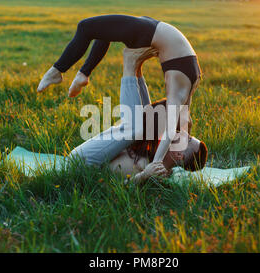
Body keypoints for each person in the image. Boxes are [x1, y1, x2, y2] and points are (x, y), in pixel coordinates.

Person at [37, 15, 202, 180]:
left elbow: (126, 186)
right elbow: (162, 117)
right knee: (143, 123)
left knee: (135, 130)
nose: (184, 134)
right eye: (188, 135)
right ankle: (92, 72)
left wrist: (144, 175)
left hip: (81, 162)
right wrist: (137, 70)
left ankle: (65, 71)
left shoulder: (156, 172)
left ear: (180, 155)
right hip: (98, 156)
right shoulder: (154, 148)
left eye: (187, 140)